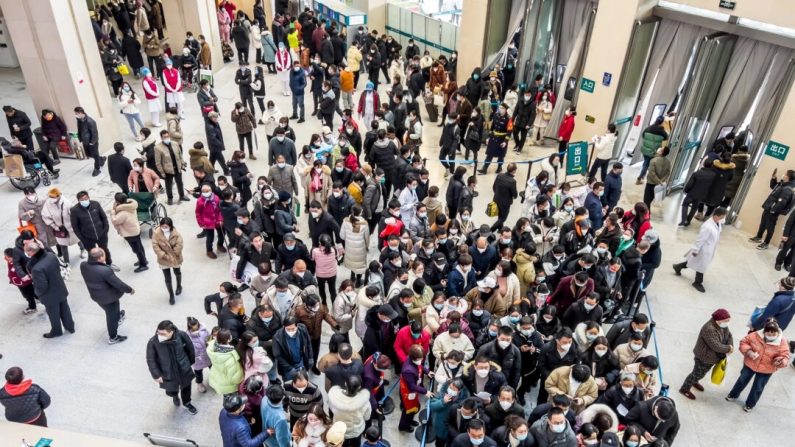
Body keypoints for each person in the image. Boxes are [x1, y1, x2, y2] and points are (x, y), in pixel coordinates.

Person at [726, 318, 790, 411]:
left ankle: (750, 404)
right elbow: (743, 342)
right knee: (742, 380)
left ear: (777, 332)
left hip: (766, 369)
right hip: (750, 364)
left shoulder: (782, 342)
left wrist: (779, 361)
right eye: (768, 334)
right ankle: (733, 394)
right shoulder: (755, 335)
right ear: (764, 332)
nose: (771, 336)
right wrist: (749, 351)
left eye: (774, 334)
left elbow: (785, 356)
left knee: (758, 387)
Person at [80, 247, 133, 344]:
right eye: (104, 254)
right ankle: (113, 337)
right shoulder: (105, 271)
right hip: (109, 298)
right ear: (100, 258)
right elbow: (118, 284)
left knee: (112, 310)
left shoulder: (83, 265)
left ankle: (117, 316)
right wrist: (130, 290)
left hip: (96, 296)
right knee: (111, 316)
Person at [679, 308, 733, 400]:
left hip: (712, 357)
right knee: (697, 373)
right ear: (718, 320)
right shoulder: (709, 328)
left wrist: (730, 345)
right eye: (726, 321)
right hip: (704, 357)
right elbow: (716, 346)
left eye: (728, 320)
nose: (728, 323)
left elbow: (729, 335)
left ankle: (695, 381)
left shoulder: (722, 325)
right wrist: (728, 348)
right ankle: (684, 388)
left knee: (702, 373)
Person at [145, 320, 198, 414]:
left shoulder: (181, 335)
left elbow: (190, 348)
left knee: (186, 387)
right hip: (167, 372)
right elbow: (151, 359)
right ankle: (175, 396)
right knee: (171, 390)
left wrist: (188, 362)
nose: (159, 335)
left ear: (171, 332)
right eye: (158, 332)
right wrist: (156, 375)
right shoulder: (153, 342)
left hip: (183, 369)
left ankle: (187, 403)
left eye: (162, 333)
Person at [673, 207, 727, 293]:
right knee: (701, 266)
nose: (723, 219)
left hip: (710, 248)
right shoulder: (707, 226)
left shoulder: (717, 222)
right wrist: (696, 250)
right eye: (722, 217)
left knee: (694, 262)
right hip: (703, 249)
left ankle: (677, 267)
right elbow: (700, 239)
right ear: (716, 216)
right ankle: (697, 282)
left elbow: (720, 226)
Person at [749, 169, 795, 250]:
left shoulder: (787, 189)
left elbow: (782, 203)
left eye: (785, 174)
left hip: (773, 211)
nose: (783, 175)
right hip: (768, 207)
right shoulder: (782, 184)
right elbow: (773, 187)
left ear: (788, 177)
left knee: (770, 228)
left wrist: (773, 210)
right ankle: (758, 237)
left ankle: (766, 243)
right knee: (763, 224)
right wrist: (774, 178)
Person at [110, 193, 149, 272]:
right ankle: (143, 260)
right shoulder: (131, 206)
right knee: (140, 247)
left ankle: (143, 265)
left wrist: (113, 212)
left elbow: (115, 221)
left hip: (130, 234)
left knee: (137, 250)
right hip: (135, 230)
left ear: (117, 202)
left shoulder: (123, 213)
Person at [151, 217, 184, 305]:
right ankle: (171, 295)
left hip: (175, 257)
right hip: (164, 258)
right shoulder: (156, 233)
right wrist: (163, 255)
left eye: (166, 227)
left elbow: (180, 243)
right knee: (167, 278)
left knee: (177, 272)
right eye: (163, 226)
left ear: (170, 226)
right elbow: (155, 245)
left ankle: (179, 286)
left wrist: (175, 253)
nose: (164, 228)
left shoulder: (175, 233)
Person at [479, 103, 511, 174]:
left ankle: (499, 167)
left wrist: (505, 141)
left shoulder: (508, 119)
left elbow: (509, 132)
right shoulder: (496, 115)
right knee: (489, 154)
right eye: (499, 108)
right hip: (493, 137)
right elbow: (492, 127)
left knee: (501, 155)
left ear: (505, 109)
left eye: (502, 108)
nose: (500, 109)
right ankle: (484, 168)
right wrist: (488, 137)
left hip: (501, 139)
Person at [74, 107, 105, 176]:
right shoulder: (79, 120)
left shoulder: (90, 121)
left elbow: (94, 133)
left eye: (76, 113)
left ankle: (97, 169)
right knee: (89, 154)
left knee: (95, 155)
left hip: (92, 142)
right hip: (85, 141)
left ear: (81, 113)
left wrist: (92, 142)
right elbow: (79, 130)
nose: (76, 115)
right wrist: (80, 138)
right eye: (75, 114)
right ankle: (102, 159)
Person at [637, 116, 668, 184]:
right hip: (654, 152)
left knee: (645, 164)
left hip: (646, 150)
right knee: (653, 166)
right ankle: (651, 180)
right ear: (662, 122)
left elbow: (643, 136)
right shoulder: (662, 131)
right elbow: (666, 139)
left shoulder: (648, 128)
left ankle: (640, 178)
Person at [490, 163, 518, 232]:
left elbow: (494, 187)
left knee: (500, 216)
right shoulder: (512, 181)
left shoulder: (499, 175)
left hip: (496, 199)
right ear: (514, 171)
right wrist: (515, 196)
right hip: (505, 203)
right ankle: (491, 230)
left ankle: (500, 229)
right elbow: (515, 194)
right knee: (503, 218)